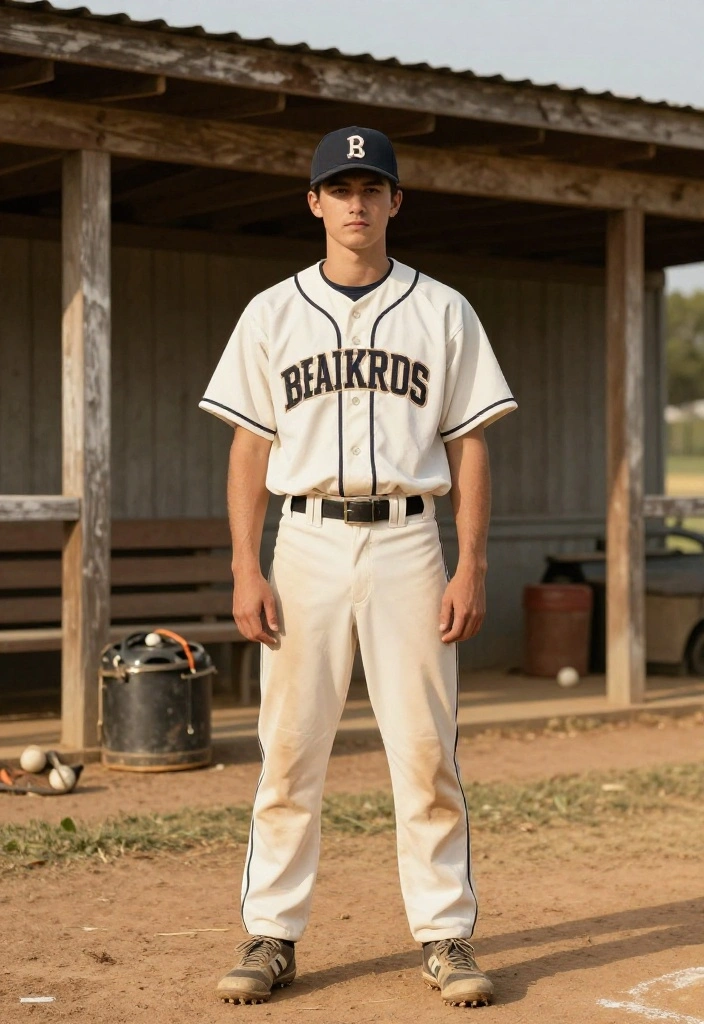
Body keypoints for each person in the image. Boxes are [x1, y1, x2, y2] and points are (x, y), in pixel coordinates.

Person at [199, 126, 517, 1008]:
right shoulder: (271, 311)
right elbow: (248, 446)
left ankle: (446, 935)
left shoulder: (443, 309)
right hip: (303, 541)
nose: (356, 202)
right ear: (314, 201)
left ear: (395, 201)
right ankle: (271, 934)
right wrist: (244, 564)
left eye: (371, 187)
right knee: (289, 750)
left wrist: (472, 562)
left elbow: (472, 443)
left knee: (425, 750)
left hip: (413, 540)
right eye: (340, 188)